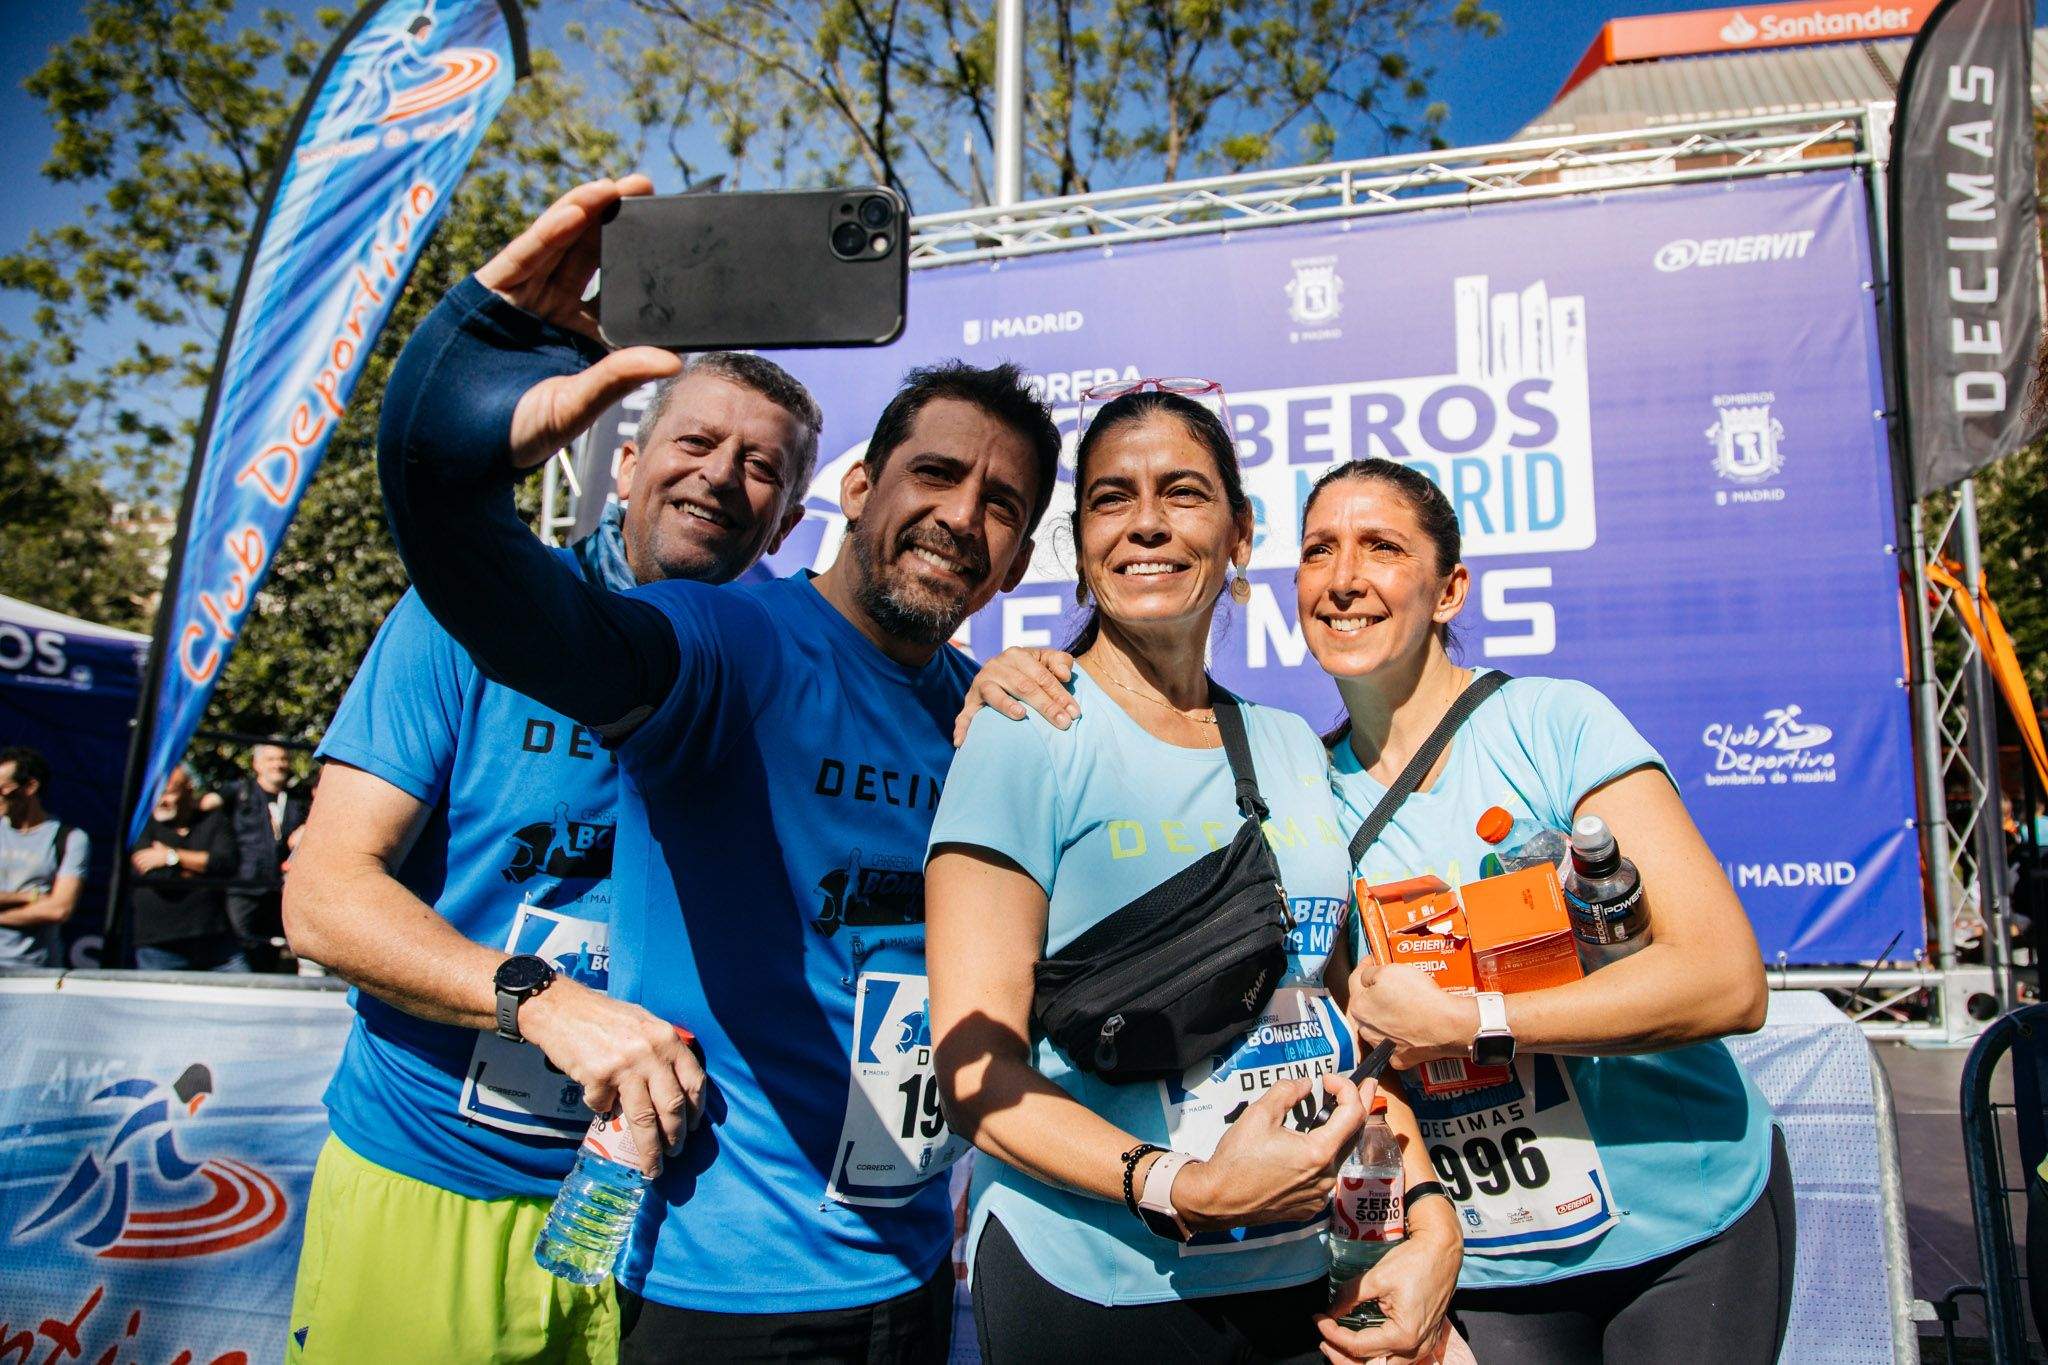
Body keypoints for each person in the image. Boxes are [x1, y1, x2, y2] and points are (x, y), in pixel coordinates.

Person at [375, 176, 1061, 1363]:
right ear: (856, 491)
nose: (961, 516)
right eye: (934, 476)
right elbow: (491, 591)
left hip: (909, 1274)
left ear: (1013, 562)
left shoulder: (982, 718)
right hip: (724, 1294)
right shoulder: (723, 640)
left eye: (1001, 505)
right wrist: (475, 380)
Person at [965, 457, 1790, 1363]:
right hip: (1488, 1258)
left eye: (1382, 548)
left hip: (1687, 1213)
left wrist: (1476, 1021)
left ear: (1449, 589)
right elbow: (1343, 1052)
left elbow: (1726, 981)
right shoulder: (1301, 790)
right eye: (1320, 550)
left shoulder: (1554, 723)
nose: (1345, 578)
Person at [281, 338, 826, 1363]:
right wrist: (542, 1001)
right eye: (695, 440)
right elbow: (322, 898)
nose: (718, 474)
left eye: (760, 465)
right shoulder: (465, 619)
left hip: (679, 1225)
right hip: (440, 1181)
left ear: (788, 520)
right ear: (626, 464)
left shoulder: (784, 669)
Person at [925, 391, 1462, 1364]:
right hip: (1090, 1283)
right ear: (1079, 538)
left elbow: (1325, 1016)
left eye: (1182, 492)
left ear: (1239, 533)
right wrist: (1183, 1185)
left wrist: (1424, 1209)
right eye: (1109, 498)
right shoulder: (1024, 729)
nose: (1145, 522)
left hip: (1293, 1274)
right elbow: (972, 1075)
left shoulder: (1290, 744)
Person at [128, 766, 244, 971]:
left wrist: (172, 856)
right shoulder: (144, 826)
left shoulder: (214, 821)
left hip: (214, 939)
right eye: (157, 793)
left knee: (246, 995)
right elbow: (161, 879)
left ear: (189, 789)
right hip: (160, 946)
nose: (161, 800)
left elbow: (228, 864)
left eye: (169, 792)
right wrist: (204, 871)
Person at [0, 746, 89, 968]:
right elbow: (46, 903)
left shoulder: (69, 838)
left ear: (30, 787)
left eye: (2, 789)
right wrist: (28, 897)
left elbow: (59, 909)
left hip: (37, 971)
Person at [225, 742, 308, 972]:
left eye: (282, 759)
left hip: (277, 889)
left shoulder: (296, 801)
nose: (278, 764)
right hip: (244, 887)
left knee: (271, 951)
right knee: (240, 948)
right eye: (271, 759)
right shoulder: (239, 793)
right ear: (257, 764)